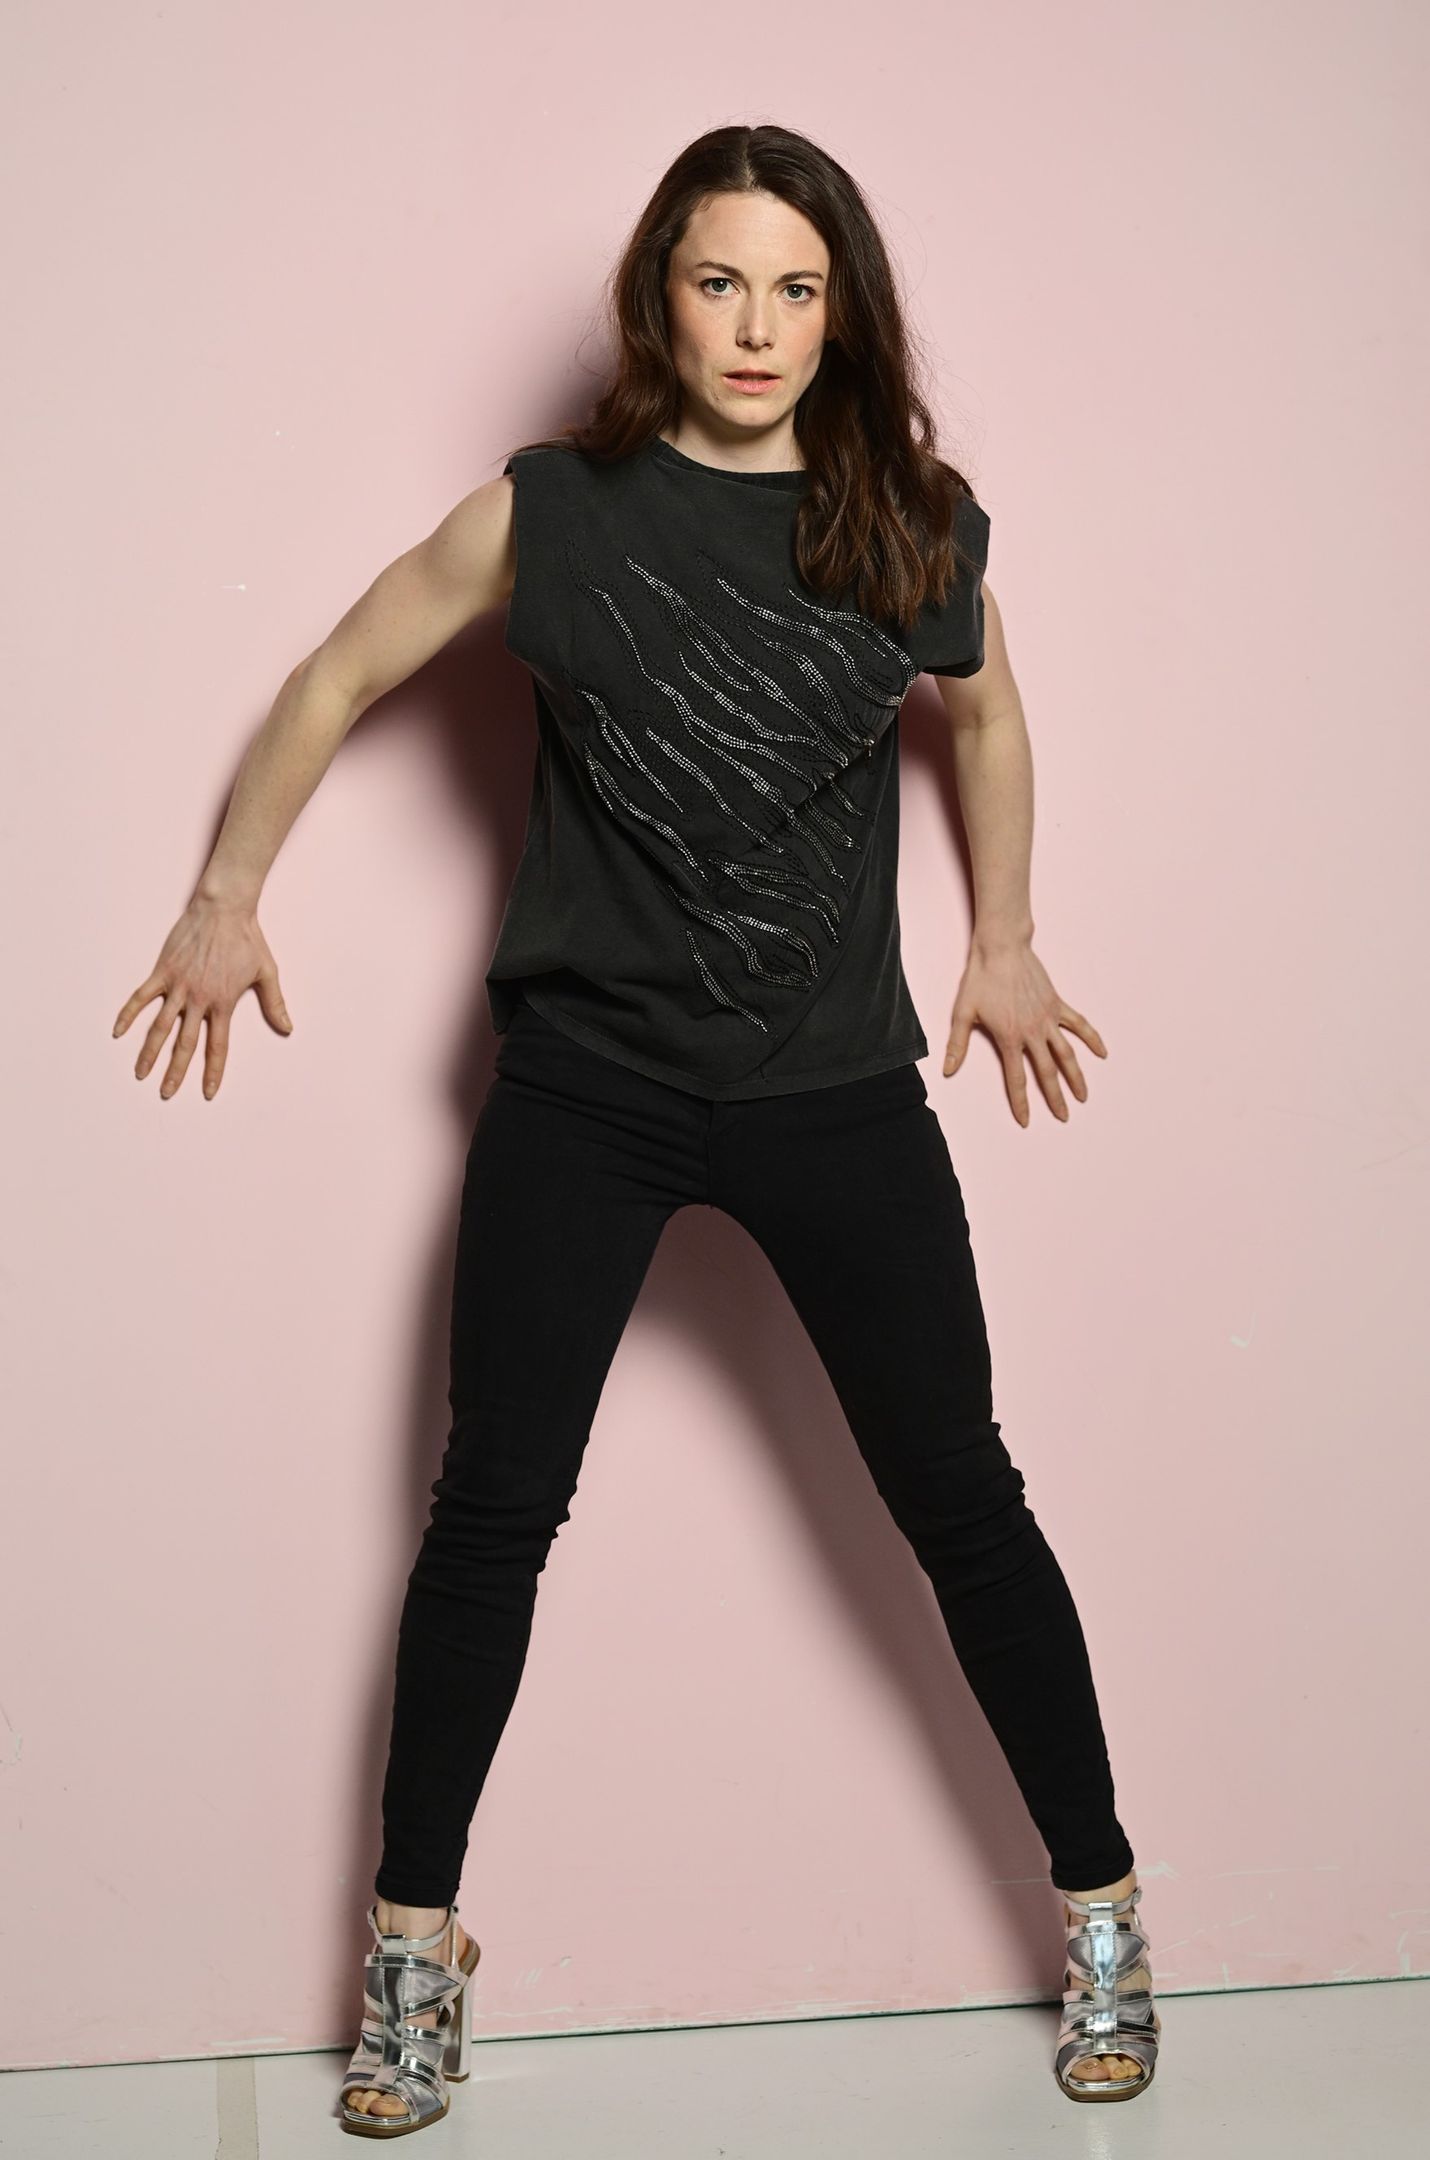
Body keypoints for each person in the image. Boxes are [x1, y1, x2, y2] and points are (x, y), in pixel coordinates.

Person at [113, 123, 1160, 2134]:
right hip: (583, 1096)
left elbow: (988, 710)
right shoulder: (550, 514)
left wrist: (1006, 937)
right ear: (656, 300)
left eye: (795, 288)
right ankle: (410, 1954)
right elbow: (336, 675)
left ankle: (1102, 1908)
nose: (755, 326)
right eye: (717, 281)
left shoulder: (912, 523)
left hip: (833, 1097)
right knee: (489, 1515)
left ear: (840, 314)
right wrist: (226, 898)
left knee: (961, 1500)